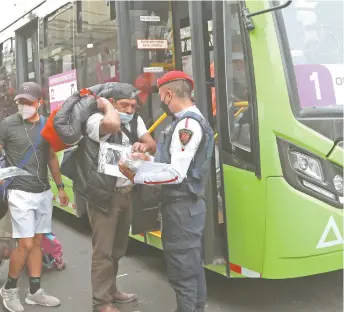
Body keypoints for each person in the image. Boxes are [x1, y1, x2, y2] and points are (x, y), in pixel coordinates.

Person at [119, 71, 215, 312]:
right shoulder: (193, 120)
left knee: (182, 273)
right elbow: (177, 163)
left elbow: (176, 173)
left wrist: (137, 176)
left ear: (169, 93)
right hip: (188, 208)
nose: (163, 102)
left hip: (180, 210)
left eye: (162, 96)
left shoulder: (186, 125)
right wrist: (147, 158)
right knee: (192, 268)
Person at [71, 84, 156, 312]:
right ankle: (101, 302)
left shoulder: (135, 120)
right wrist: (107, 106)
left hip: (126, 193)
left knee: (118, 250)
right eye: (123, 105)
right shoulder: (96, 120)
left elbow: (152, 144)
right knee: (103, 252)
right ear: (110, 103)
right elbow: (112, 124)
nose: (129, 110)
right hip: (104, 196)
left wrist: (144, 145)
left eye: (132, 106)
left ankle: (112, 290)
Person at [0, 82, 69, 312]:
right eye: (20, 101)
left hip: (42, 192)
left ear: (40, 102)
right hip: (18, 191)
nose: (23, 105)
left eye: (29, 102)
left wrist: (60, 187)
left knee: (37, 243)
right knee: (26, 242)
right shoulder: (8, 125)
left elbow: (51, 158)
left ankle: (34, 291)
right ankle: (9, 288)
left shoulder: (47, 125)